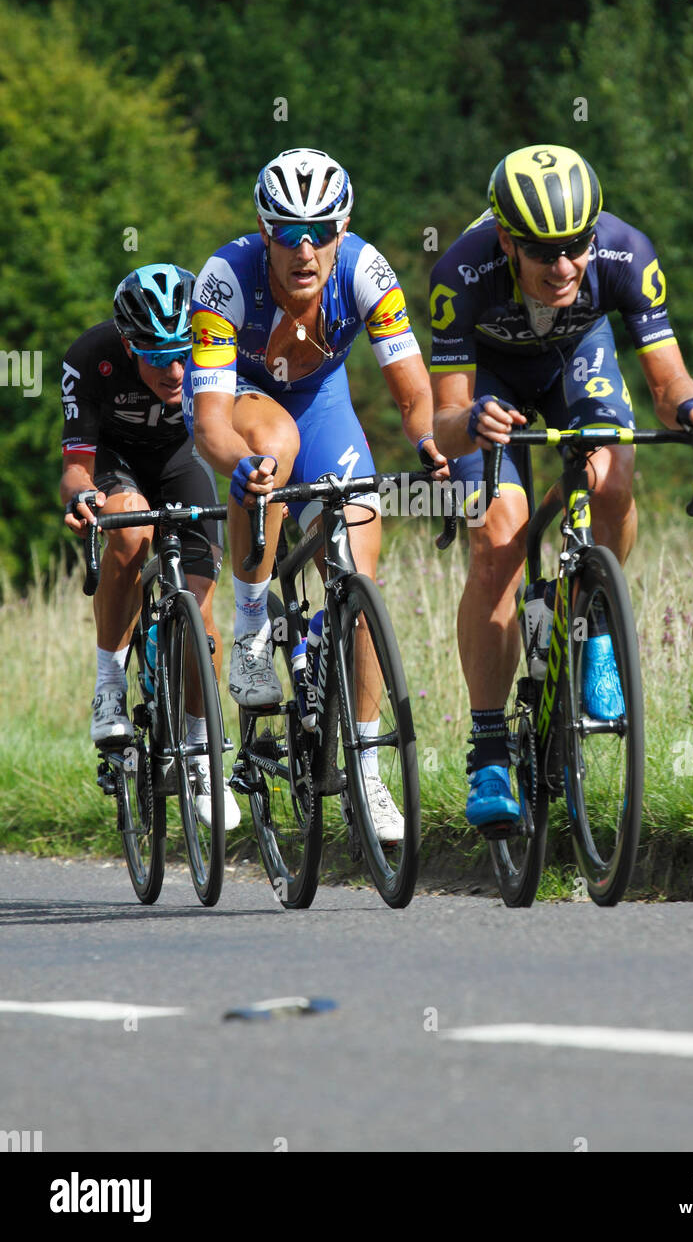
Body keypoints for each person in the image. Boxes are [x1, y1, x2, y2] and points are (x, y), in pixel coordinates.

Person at [429, 145, 693, 827]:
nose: (564, 267)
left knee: (613, 473)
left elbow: (665, 382)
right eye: (543, 253)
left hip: (575, 362)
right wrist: (472, 420)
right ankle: (488, 750)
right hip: (492, 386)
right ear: (507, 240)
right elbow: (443, 421)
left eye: (576, 247)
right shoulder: (460, 273)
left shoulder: (626, 253)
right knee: (496, 542)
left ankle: (591, 614)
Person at [184, 147, 446, 841]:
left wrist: (426, 443)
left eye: (321, 231)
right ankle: (249, 625)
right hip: (243, 403)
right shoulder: (224, 279)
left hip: (323, 405)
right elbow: (209, 420)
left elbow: (414, 391)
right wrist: (239, 463)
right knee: (273, 448)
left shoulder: (365, 270)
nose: (306, 249)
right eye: (289, 233)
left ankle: (365, 768)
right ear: (263, 230)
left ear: (344, 225)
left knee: (358, 571)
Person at [60, 263, 237, 829]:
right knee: (130, 529)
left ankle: (199, 751)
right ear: (131, 344)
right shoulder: (91, 357)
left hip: (180, 460)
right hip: (115, 463)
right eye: (160, 357)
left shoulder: (213, 338)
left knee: (203, 612)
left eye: (184, 353)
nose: (177, 370)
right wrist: (84, 496)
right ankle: (109, 685)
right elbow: (75, 468)